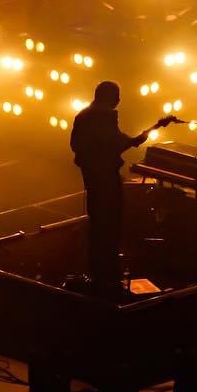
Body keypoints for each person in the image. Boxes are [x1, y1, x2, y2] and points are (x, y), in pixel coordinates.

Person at [70, 81, 171, 296]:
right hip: (104, 177)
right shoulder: (102, 117)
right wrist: (153, 129)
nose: (119, 100)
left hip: (93, 176)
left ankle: (100, 272)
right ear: (109, 96)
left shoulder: (84, 115)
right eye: (117, 95)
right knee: (110, 224)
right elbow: (122, 143)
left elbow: (77, 146)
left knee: (98, 223)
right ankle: (107, 277)